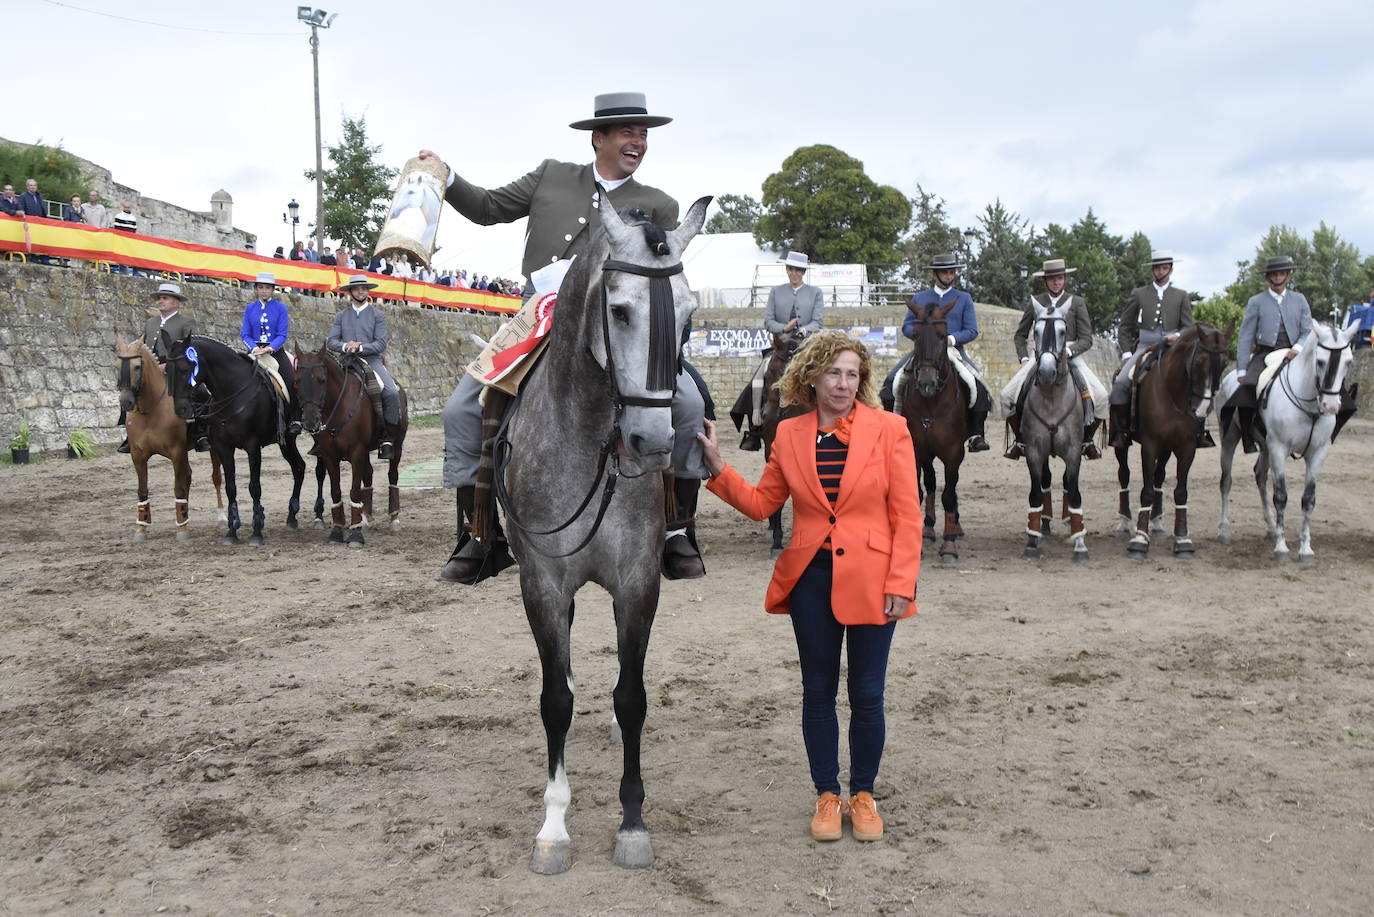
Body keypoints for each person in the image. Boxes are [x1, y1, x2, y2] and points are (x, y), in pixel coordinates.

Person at [425, 91, 711, 583]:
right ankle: (479, 532)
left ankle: (676, 528)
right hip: (537, 316)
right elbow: (489, 207)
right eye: (627, 131)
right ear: (598, 137)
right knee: (460, 409)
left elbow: (657, 276)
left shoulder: (660, 204)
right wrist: (447, 177)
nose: (637, 141)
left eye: (643, 134)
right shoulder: (550, 176)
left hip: (616, 326)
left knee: (685, 405)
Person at [696, 330, 920, 843]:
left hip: (874, 581)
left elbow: (907, 515)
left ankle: (863, 794)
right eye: (833, 373)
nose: (843, 384)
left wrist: (902, 581)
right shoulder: (789, 434)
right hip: (810, 583)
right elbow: (760, 505)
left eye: (851, 374)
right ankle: (826, 793)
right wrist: (717, 467)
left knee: (867, 694)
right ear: (813, 377)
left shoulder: (892, 430)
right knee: (817, 693)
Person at [879, 253, 992, 451]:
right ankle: (891, 429)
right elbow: (906, 326)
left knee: (979, 387)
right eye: (945, 272)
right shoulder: (920, 298)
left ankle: (975, 434)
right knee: (890, 382)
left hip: (953, 350)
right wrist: (921, 336)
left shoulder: (963, 298)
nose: (949, 275)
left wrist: (951, 339)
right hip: (923, 351)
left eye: (952, 272)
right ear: (935, 275)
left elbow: (972, 330)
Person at [1002, 258, 1108, 460]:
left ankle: (1087, 440)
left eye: (1060, 278)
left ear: (1065, 279)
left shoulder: (1077, 303)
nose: (1056, 282)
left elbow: (1086, 338)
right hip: (1041, 355)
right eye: (1052, 279)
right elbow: (1020, 335)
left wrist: (1070, 352)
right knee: (1007, 396)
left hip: (1069, 353)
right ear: (1046, 281)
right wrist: (1024, 357)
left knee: (1102, 397)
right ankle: (1021, 441)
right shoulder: (1036, 302)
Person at [1109, 250, 1212, 448]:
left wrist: (1179, 336)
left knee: (1198, 379)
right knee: (1122, 381)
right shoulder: (1139, 293)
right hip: (1146, 346)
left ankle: (1199, 431)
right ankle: (1121, 431)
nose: (1160, 271)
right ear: (1152, 270)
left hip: (1175, 347)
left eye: (1164, 267)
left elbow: (1188, 327)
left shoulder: (1180, 295)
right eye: (1157, 268)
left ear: (1170, 270)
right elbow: (1125, 326)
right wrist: (1127, 353)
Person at [732, 251, 824, 451]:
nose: (794, 273)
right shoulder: (776, 291)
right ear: (787, 270)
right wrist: (784, 328)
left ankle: (827, 421)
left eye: (798, 270)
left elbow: (818, 322)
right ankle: (756, 425)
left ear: (803, 272)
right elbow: (768, 321)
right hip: (781, 345)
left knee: (824, 379)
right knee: (758, 379)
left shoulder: (815, 292)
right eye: (791, 269)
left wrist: (803, 329)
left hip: (806, 347)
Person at [1223, 256, 1313, 453]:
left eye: (1282, 273)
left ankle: (1322, 432)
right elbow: (1246, 337)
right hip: (1265, 353)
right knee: (1247, 388)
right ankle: (1248, 435)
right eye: (1274, 274)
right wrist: (1242, 368)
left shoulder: (1299, 300)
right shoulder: (1256, 302)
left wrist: (1297, 348)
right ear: (1267, 277)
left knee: (1328, 384)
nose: (1278, 277)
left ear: (1288, 276)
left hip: (1294, 352)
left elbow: (1308, 330)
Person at [118, 283, 202, 453]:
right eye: (159, 298)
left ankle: (200, 434)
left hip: (176, 368)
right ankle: (131, 435)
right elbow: (143, 346)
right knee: (128, 387)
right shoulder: (151, 322)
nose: (160, 301)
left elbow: (191, 349)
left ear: (176, 302)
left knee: (201, 392)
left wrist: (170, 365)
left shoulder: (187, 322)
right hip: (150, 369)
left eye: (165, 298)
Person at [327, 275, 404, 459]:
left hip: (371, 360)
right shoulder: (341, 316)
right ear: (351, 292)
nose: (361, 291)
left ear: (367, 291)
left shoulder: (378, 315)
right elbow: (331, 341)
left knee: (391, 392)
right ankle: (321, 437)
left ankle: (388, 437)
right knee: (323, 387)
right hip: (346, 361)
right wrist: (346, 346)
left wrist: (360, 347)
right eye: (357, 288)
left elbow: (381, 343)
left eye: (364, 288)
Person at [239, 272, 302, 438]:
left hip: (275, 351)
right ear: (256, 289)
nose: (264, 290)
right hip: (253, 351)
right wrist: (253, 349)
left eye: (267, 287)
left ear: (273, 289)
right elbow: (245, 334)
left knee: (291, 379)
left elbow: (282, 335)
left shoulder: (280, 307)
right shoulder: (250, 308)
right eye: (261, 287)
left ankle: (295, 418)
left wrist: (269, 349)